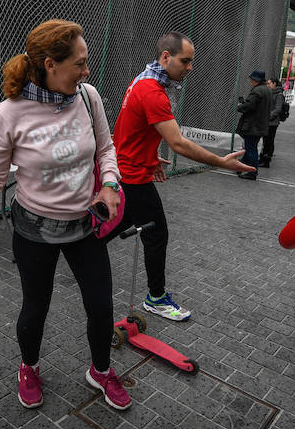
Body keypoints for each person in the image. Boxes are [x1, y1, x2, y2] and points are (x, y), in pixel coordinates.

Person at [0, 20, 131, 411]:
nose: (87, 71)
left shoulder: (89, 98)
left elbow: (106, 149)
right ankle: (30, 367)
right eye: (80, 63)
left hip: (85, 224)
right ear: (50, 64)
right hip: (34, 228)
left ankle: (100, 371)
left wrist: (109, 183)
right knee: (36, 306)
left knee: (102, 304)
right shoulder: (10, 113)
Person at [109, 31, 254, 322]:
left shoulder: (143, 80)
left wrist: (150, 157)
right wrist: (221, 162)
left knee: (115, 228)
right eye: (185, 61)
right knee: (155, 233)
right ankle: (156, 297)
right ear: (166, 57)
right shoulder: (152, 91)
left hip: (129, 171)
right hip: (132, 178)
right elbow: (178, 143)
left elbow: (132, 129)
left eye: (191, 62)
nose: (190, 68)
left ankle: (78, 251)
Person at [236, 70, 272, 180]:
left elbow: (250, 106)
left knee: (251, 149)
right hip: (261, 124)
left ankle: (252, 172)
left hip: (253, 125)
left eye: (252, 79)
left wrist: (240, 106)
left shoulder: (257, 91)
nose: (251, 81)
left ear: (256, 80)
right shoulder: (267, 90)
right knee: (251, 147)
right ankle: (242, 167)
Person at [259, 77, 285, 168]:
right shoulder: (271, 93)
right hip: (268, 121)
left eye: (269, 83)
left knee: (269, 141)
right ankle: (263, 159)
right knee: (266, 141)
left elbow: (278, 109)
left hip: (272, 123)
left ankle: (266, 161)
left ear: (274, 84)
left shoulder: (279, 95)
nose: (267, 85)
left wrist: (268, 117)